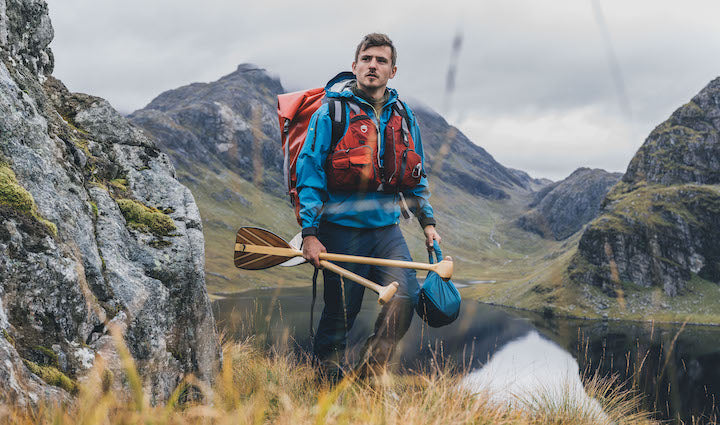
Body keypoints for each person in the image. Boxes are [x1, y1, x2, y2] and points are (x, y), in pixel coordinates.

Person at [296, 33, 441, 378]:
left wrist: (428, 223)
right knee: (341, 315)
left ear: (393, 71)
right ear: (354, 66)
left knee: (405, 298)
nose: (372, 66)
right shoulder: (331, 112)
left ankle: (367, 374)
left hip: (386, 230)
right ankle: (325, 388)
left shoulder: (404, 116)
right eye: (367, 59)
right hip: (340, 230)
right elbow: (310, 172)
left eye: (381, 61)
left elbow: (415, 174)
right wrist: (310, 233)